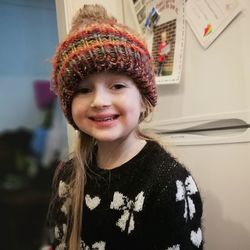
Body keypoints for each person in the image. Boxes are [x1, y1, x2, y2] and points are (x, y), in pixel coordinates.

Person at [48, 4, 203, 250]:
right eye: (84, 89)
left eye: (117, 86)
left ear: (144, 100)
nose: (99, 101)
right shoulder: (68, 176)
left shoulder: (169, 183)